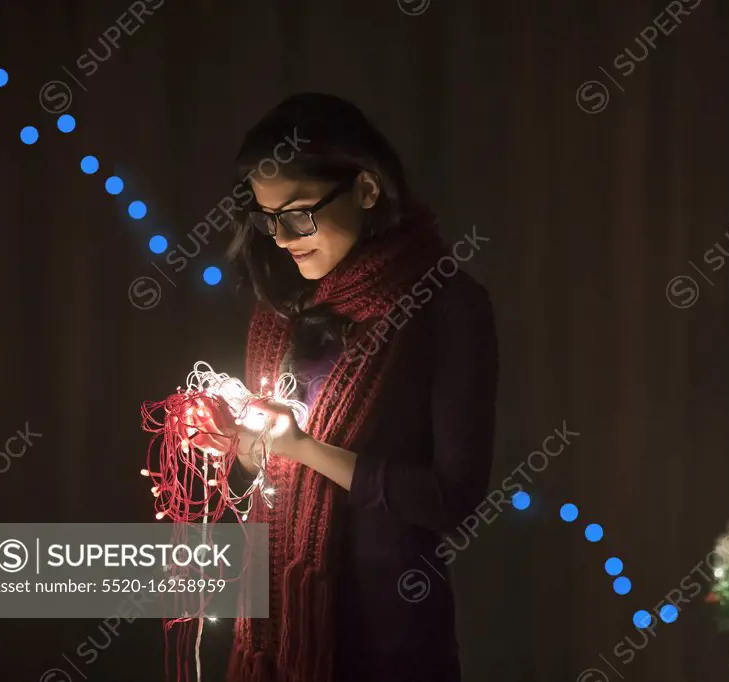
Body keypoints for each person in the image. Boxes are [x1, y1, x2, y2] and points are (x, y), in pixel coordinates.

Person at [191, 93, 498, 682]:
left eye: (299, 212)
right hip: (277, 630)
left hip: (388, 634)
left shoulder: (448, 305)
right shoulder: (287, 306)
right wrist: (242, 445)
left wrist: (304, 447)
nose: (281, 237)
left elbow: (451, 499)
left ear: (366, 189)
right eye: (266, 217)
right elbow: (274, 470)